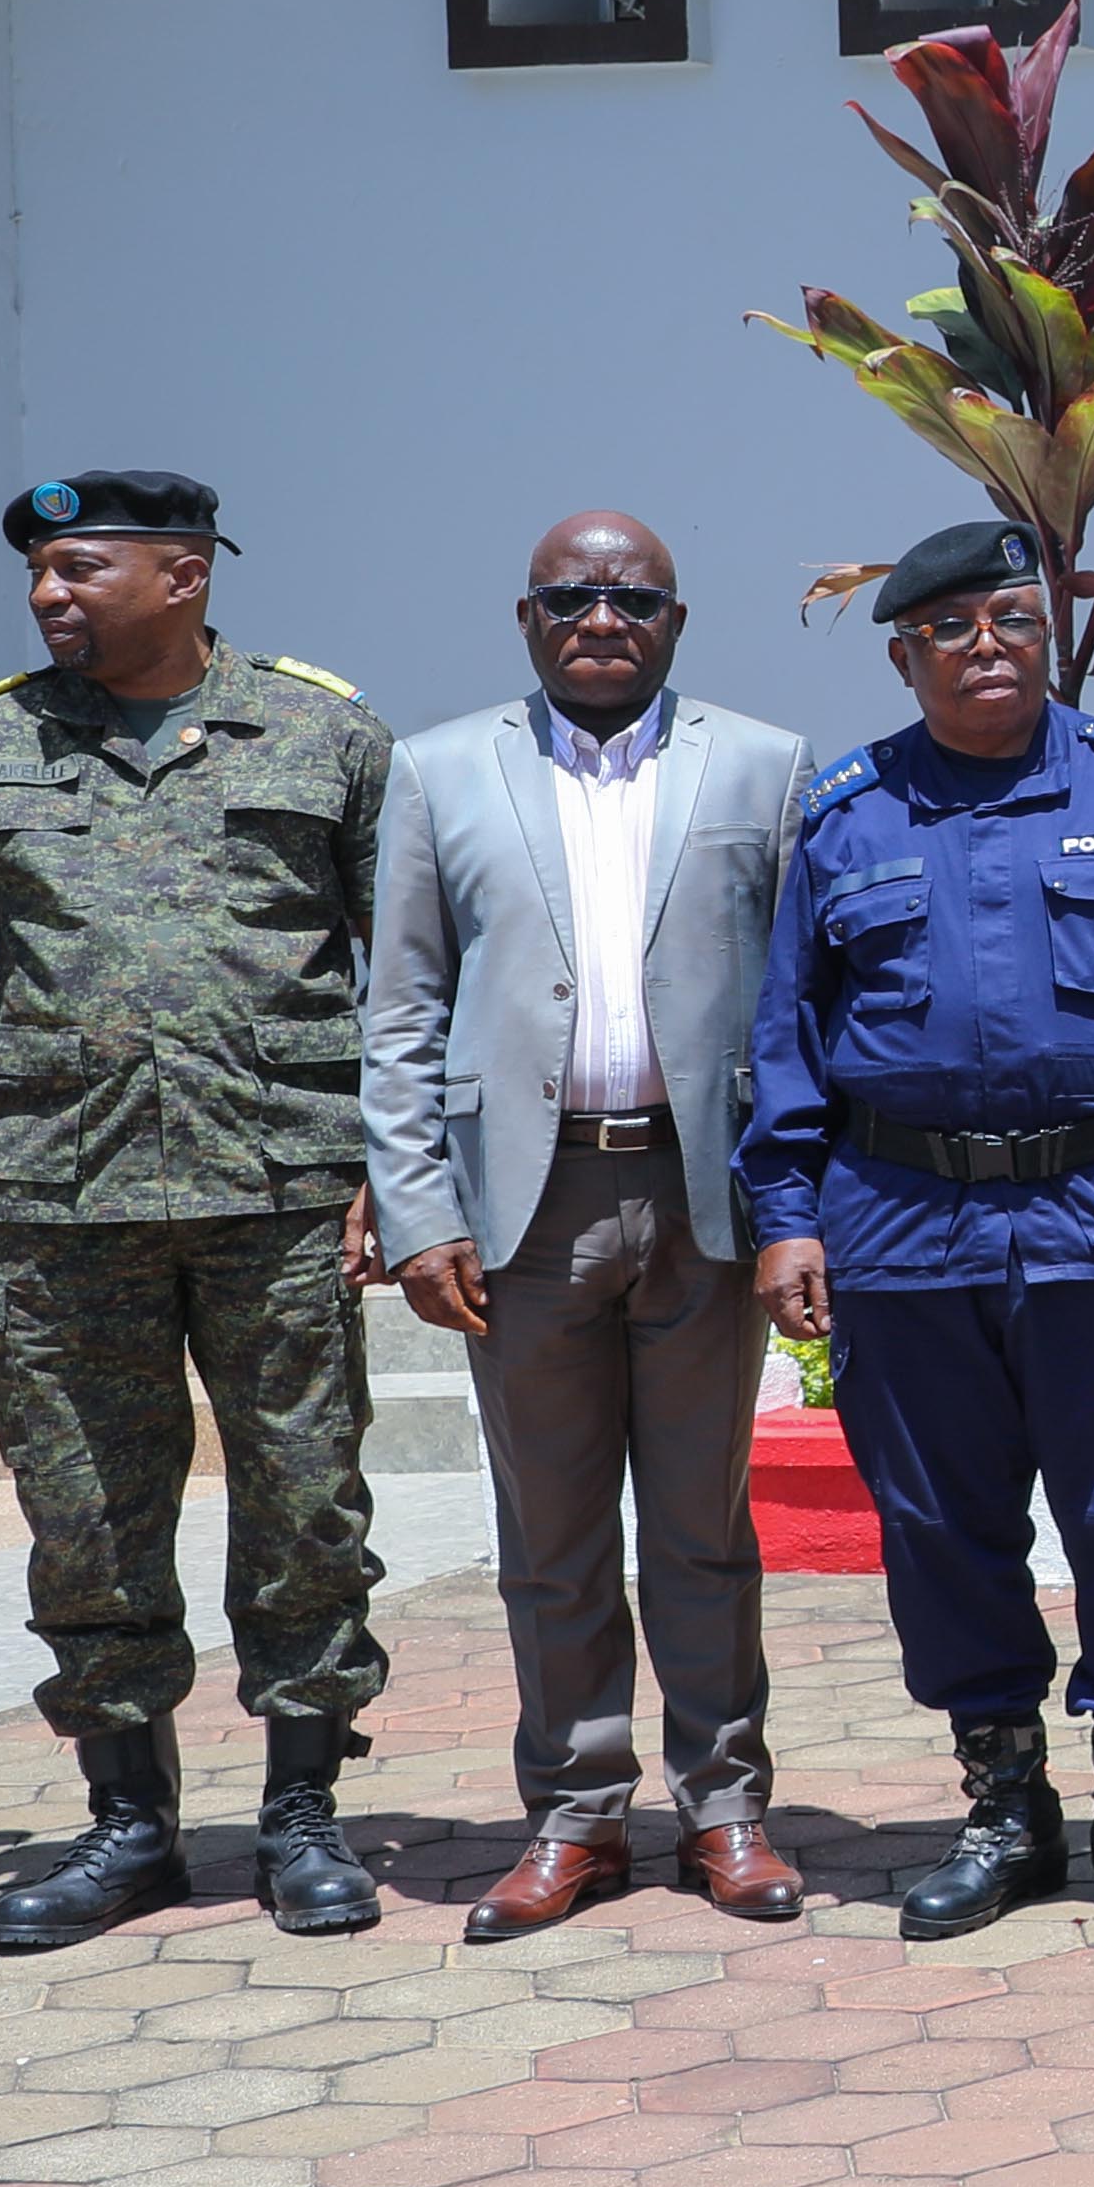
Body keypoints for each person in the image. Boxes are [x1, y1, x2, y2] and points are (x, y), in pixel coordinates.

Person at [0, 475, 402, 1952]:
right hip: (60, 1198)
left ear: (181, 575)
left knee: (309, 1504)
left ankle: (306, 1814)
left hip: (285, 1186)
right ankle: (130, 1821)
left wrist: (394, 1164)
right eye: (41, 577)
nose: (51, 597)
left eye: (79, 569)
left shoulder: (324, 731)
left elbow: (406, 970)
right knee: (87, 1519)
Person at [742, 523, 1094, 1939]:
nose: (989, 648)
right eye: (954, 629)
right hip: (903, 1222)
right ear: (904, 653)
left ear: (1047, 639)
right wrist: (786, 1215)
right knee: (939, 1527)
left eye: (1015, 622)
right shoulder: (847, 813)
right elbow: (784, 1035)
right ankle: (1004, 1801)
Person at [362, 515, 813, 1940]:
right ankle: (574, 1816)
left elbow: (802, 1001)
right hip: (527, 1206)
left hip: (699, 1197)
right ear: (527, 616)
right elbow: (399, 1006)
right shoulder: (440, 770)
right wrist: (421, 1202)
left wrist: (798, 1199)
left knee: (703, 1525)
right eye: (573, 597)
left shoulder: (761, 761)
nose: (600, 617)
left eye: (631, 597)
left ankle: (726, 1809)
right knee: (550, 1533)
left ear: (675, 620)